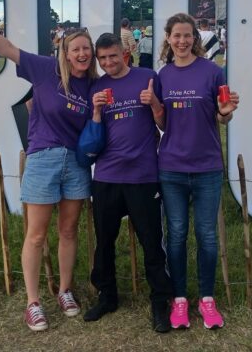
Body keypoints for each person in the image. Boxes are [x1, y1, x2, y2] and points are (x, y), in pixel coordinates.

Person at [0, 0, 97, 332]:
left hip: (76, 162)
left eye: (86, 50)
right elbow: (5, 47)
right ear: (64, 52)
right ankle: (33, 302)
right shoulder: (44, 68)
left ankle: (64, 291)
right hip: (43, 159)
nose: (82, 54)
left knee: (68, 230)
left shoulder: (93, 85)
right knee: (36, 235)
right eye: (76, 49)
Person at [83, 33, 173, 332]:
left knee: (151, 243)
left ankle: (160, 302)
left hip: (143, 176)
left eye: (113, 56)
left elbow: (164, 125)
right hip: (106, 176)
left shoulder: (148, 78)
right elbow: (93, 136)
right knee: (105, 242)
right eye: (103, 58)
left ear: (127, 52)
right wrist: (95, 111)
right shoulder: (97, 86)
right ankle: (107, 296)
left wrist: (154, 103)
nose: (108, 62)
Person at [156, 13, 239, 330]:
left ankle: (207, 299)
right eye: (176, 35)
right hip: (172, 168)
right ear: (168, 38)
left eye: (187, 36)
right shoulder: (163, 75)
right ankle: (179, 301)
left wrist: (227, 113)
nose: (182, 41)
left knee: (206, 236)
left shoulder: (213, 72)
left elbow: (223, 116)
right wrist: (154, 109)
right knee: (175, 236)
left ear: (195, 39)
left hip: (207, 168)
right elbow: (163, 124)